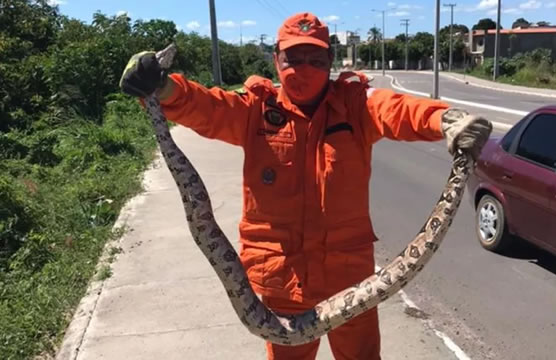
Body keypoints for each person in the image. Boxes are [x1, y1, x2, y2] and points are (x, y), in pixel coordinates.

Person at [120, 12, 492, 360]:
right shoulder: (256, 109)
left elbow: (394, 109)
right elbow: (208, 108)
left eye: (315, 60)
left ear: (330, 63)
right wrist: (163, 88)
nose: (305, 69)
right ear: (276, 60)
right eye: (294, 58)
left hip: (350, 283)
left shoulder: (354, 105)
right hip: (282, 283)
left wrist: (445, 119)